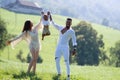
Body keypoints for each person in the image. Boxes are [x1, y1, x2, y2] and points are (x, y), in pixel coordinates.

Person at [50, 14, 77, 80]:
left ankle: (68, 77)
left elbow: (74, 40)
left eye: (69, 22)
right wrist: (51, 19)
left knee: (66, 62)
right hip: (59, 47)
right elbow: (54, 25)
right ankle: (59, 74)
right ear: (65, 22)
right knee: (57, 60)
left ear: (71, 23)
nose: (68, 23)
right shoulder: (61, 27)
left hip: (65, 47)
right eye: (67, 22)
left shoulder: (71, 31)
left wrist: (74, 49)